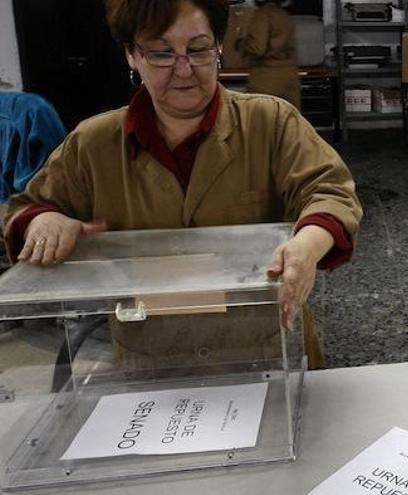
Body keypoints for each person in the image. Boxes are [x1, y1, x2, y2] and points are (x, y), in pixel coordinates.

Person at [2, 0, 362, 370]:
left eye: (198, 49)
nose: (184, 69)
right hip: (151, 355)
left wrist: (308, 243)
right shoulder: (94, 143)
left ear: (218, 48)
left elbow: (329, 191)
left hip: (264, 347)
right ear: (132, 55)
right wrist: (43, 221)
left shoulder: (270, 122)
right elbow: (26, 208)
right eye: (161, 54)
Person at [239, 0, 301, 109]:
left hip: (266, 76)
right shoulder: (285, 15)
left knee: (261, 120)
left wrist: (241, 45)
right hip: (290, 74)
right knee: (289, 120)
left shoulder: (262, 15)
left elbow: (257, 48)